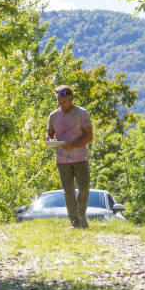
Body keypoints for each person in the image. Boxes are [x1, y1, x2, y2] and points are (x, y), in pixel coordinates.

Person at [46, 85, 94, 229]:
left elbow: (89, 136)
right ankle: (75, 222)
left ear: (71, 98)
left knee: (84, 188)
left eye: (65, 102)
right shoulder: (53, 115)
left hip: (80, 157)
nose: (62, 105)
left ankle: (81, 215)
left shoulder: (82, 113)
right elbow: (49, 134)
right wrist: (50, 140)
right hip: (62, 159)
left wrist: (73, 145)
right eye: (60, 102)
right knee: (68, 191)